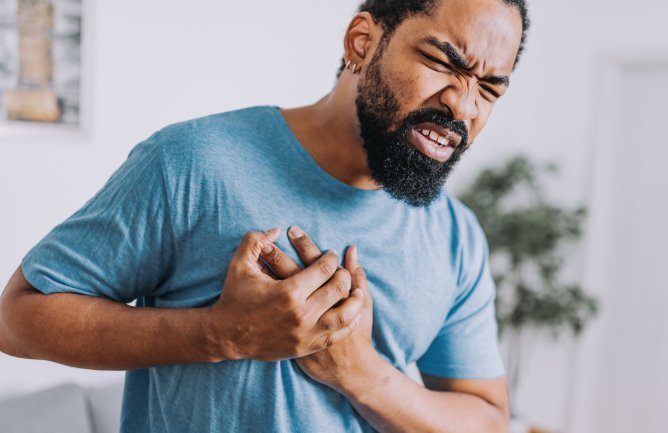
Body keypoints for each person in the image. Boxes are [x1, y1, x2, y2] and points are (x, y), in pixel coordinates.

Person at [0, 0, 529, 431]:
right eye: (443, 63)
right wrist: (222, 334)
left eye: (489, 89)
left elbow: (486, 420)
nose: (464, 106)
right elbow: (17, 319)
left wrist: (361, 372)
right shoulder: (192, 162)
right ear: (362, 42)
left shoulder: (456, 236)